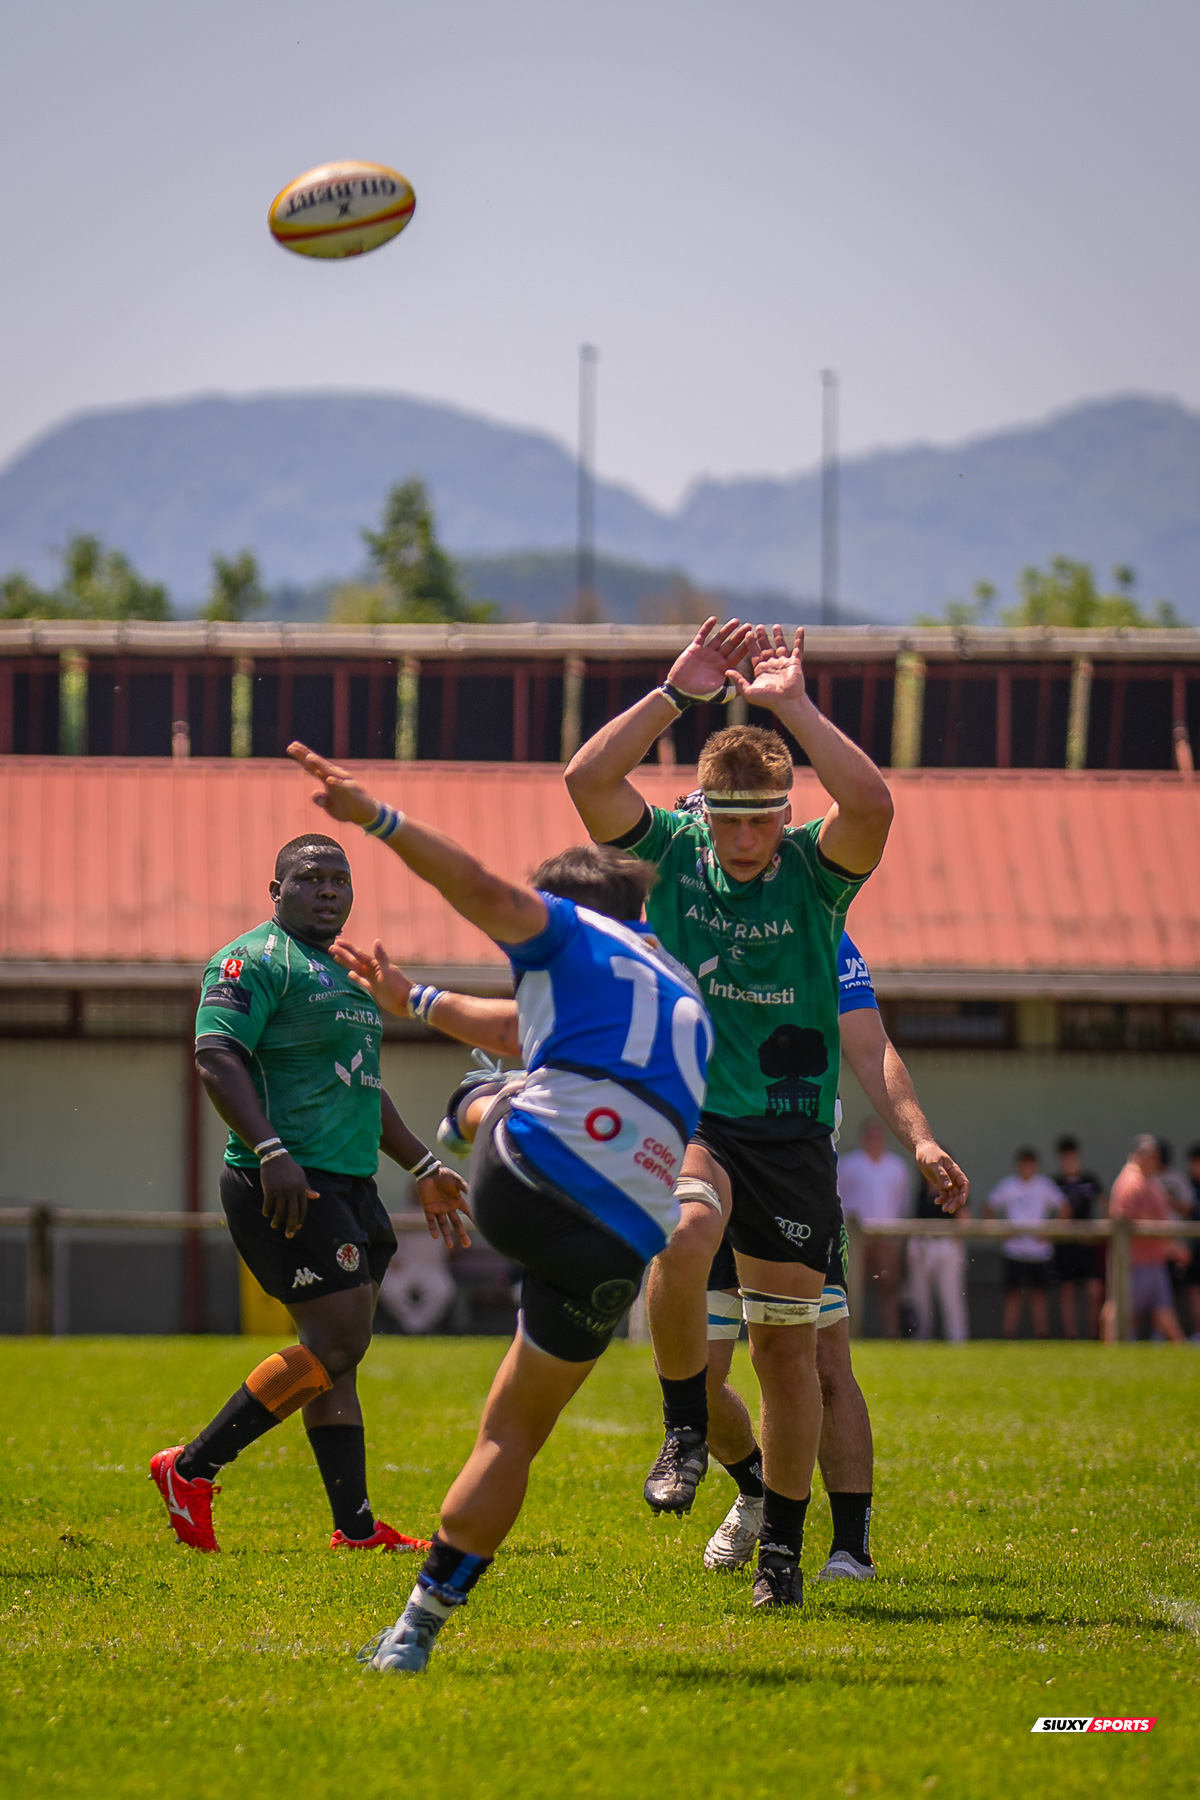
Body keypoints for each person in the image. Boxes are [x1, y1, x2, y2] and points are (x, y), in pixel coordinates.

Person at [285, 743, 713, 1670]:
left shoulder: (565, 933)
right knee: (512, 1436)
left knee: (491, 1092)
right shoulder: (681, 989)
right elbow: (528, 1023)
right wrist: (415, 996)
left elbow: (477, 887)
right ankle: (414, 1633)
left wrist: (376, 817)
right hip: (625, 1241)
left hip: (529, 1179)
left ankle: (469, 1111)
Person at [565, 616, 897, 1608]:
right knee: (685, 1228)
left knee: (785, 1352)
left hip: (790, 1136)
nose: (746, 837)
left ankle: (786, 1553)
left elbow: (874, 803)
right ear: (704, 810)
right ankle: (681, 1423)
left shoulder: (812, 874)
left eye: (763, 818)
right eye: (730, 818)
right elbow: (587, 782)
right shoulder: (669, 853)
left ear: (785, 814)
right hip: (695, 1118)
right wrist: (676, 694)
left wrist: (791, 704)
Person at [150, 835, 470, 1554]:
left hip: (348, 1184)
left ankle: (355, 1530)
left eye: (339, 879)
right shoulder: (253, 960)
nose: (328, 890)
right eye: (310, 878)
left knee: (337, 1353)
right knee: (338, 1341)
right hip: (286, 1183)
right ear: (277, 890)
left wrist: (424, 1168)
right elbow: (215, 1055)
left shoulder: (347, 975)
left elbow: (363, 1087)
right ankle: (191, 1468)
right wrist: (271, 1151)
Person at [700, 930, 968, 1578]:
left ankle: (850, 1547)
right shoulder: (682, 917)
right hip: (703, 1173)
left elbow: (871, 1046)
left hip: (795, 1177)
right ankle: (755, 1488)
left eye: (758, 821)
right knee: (693, 1379)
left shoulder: (818, 927)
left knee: (821, 1362)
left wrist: (921, 1140)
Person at [1102, 1135, 1189, 1343]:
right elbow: (1131, 1219)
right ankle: (1108, 1350)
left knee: (1162, 1309)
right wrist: (1171, 1246)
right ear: (1138, 1156)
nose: (1154, 1161)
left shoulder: (1148, 1180)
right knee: (1120, 1307)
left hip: (1152, 1260)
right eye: (1150, 1156)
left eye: (1155, 1157)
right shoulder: (1131, 1183)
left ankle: (1183, 1349)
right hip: (1135, 1261)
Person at [836, 1119, 911, 1338]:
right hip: (855, 1237)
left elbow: (902, 1201)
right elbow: (837, 1197)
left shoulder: (897, 1167)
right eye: (869, 1135)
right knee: (851, 1286)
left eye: (877, 1135)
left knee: (889, 1286)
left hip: (887, 1234)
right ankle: (849, 1334)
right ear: (863, 1137)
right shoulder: (848, 1164)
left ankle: (891, 1334)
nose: (874, 1139)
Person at [984, 1149, 1066, 1339]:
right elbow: (989, 1207)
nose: (1027, 1167)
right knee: (1013, 1293)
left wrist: (1051, 1233)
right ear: (1018, 1165)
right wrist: (1000, 1231)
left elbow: (1065, 1207)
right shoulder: (1008, 1185)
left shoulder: (1044, 1185)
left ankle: (1041, 1334)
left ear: (1036, 1165)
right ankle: (1008, 1334)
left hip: (1040, 1251)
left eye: (1031, 1163)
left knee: (1039, 1294)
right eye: (1024, 1163)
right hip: (1014, 1250)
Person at [1051, 1134, 1106, 1340]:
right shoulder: (1054, 1182)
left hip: (1087, 1242)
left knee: (1094, 1289)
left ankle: (1094, 1333)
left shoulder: (1089, 1180)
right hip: (1065, 1243)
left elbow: (1104, 1204)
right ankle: (1071, 1336)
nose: (1069, 1159)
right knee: (1067, 1290)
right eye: (1065, 1155)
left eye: (1072, 1155)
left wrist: (1100, 1233)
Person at [908, 1162, 970, 1345]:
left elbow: (964, 1220)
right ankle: (920, 1336)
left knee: (950, 1295)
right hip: (923, 1245)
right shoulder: (921, 1192)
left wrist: (953, 1243)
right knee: (920, 1297)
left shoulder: (956, 1190)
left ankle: (957, 1337)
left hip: (947, 1244)